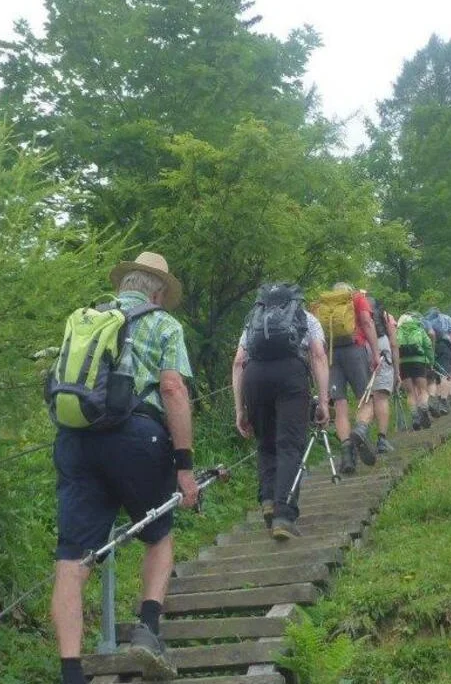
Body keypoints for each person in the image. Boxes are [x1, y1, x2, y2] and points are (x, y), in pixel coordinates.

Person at [50, 252, 199, 684]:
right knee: (159, 534)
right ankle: (147, 630)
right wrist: (184, 465)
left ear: (122, 287)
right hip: (137, 436)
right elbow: (171, 387)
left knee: (72, 557)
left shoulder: (87, 319)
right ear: (157, 291)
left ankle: (71, 671)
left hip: (76, 438)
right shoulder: (163, 324)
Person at [232, 283, 330, 540]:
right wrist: (324, 400)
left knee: (265, 443)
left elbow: (238, 361)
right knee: (289, 445)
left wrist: (239, 407)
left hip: (255, 376)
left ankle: (267, 499)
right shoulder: (306, 318)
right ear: (295, 300)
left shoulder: (253, 321)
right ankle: (284, 515)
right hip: (291, 374)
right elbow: (318, 356)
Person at [313, 283, 380, 474]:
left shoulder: (322, 305)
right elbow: (367, 322)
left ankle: (347, 455)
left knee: (340, 405)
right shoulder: (357, 298)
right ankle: (360, 429)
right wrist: (375, 353)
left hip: (331, 354)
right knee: (366, 399)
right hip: (355, 350)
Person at [362, 290, 401, 454]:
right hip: (381, 346)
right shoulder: (385, 315)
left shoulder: (353, 311)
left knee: (367, 397)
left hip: (360, 349)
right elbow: (393, 343)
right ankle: (382, 440)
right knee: (381, 396)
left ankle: (361, 429)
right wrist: (397, 372)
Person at [395, 312, 434, 430]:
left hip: (403, 364)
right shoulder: (419, 329)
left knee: (410, 393)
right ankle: (424, 408)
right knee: (423, 390)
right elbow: (428, 345)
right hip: (419, 362)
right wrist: (430, 361)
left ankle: (415, 416)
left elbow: (395, 347)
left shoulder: (398, 331)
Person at [423, 307, 451, 416]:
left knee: (434, 377)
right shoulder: (446, 318)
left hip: (429, 347)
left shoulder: (424, 321)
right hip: (443, 345)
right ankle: (443, 401)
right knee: (445, 375)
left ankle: (434, 402)